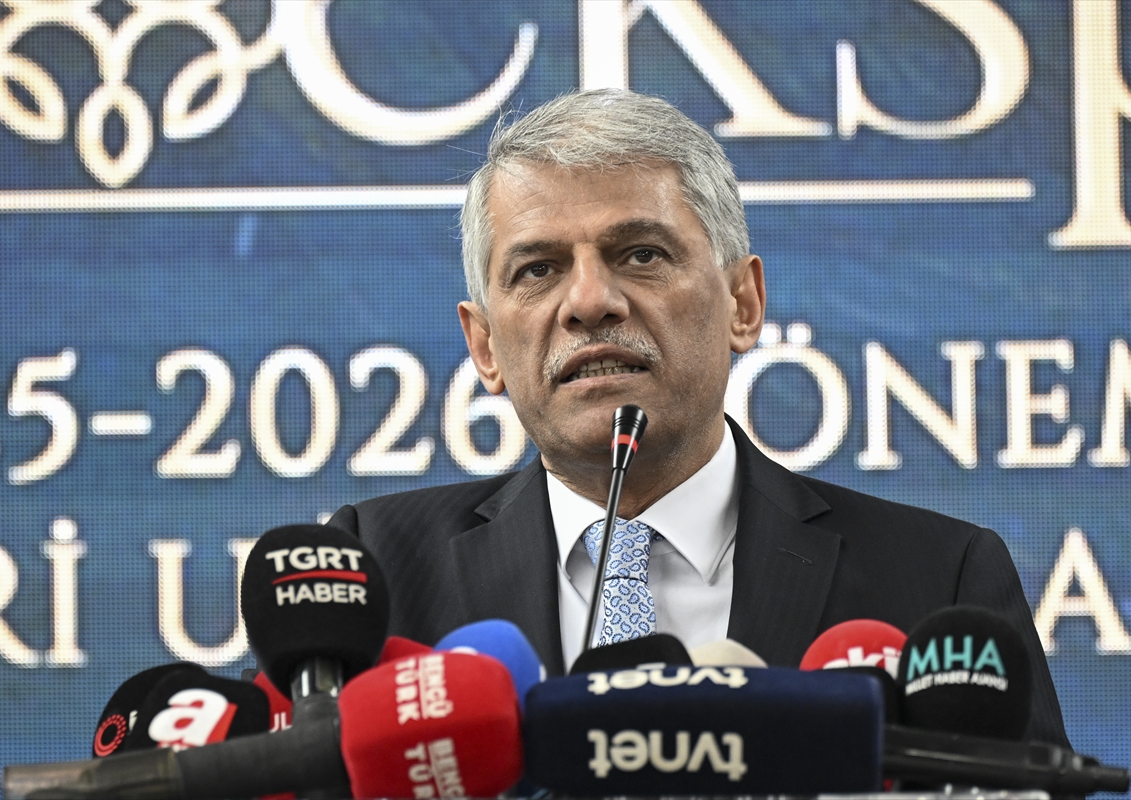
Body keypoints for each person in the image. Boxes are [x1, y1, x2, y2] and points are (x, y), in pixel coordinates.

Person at [327, 89, 1069, 746]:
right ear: (485, 346)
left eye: (641, 254)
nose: (590, 302)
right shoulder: (374, 574)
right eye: (539, 269)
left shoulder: (938, 578)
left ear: (743, 304)